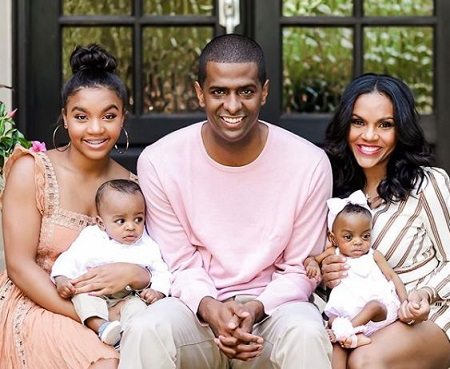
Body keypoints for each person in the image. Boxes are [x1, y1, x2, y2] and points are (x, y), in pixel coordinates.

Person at [119, 34, 333, 369]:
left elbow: (300, 269)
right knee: (147, 329)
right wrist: (210, 307)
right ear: (200, 93)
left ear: (264, 91)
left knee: (306, 332)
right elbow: (180, 264)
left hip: (273, 310)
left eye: (245, 91)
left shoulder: (308, 163)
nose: (232, 106)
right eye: (219, 91)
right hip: (195, 310)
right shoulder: (160, 161)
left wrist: (254, 309)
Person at [0, 44, 153, 369]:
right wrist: (91, 318)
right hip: (37, 302)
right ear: (65, 118)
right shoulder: (32, 170)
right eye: (82, 117)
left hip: (113, 308)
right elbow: (19, 267)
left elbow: (149, 256)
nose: (96, 129)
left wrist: (136, 275)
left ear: (123, 117)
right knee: (107, 361)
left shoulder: (134, 187)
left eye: (108, 116)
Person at [321, 73, 450, 369]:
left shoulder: (427, 185)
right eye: (358, 122)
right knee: (327, 355)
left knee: (365, 359)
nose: (368, 136)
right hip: (363, 318)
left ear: (401, 130)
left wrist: (424, 294)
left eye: (385, 125)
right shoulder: (337, 196)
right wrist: (327, 274)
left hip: (432, 312)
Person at [51, 179, 171, 346]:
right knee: (82, 298)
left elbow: (161, 270)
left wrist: (158, 291)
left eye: (138, 219)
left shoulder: (147, 244)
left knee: (137, 308)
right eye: (121, 221)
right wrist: (61, 278)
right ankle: (102, 327)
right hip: (95, 292)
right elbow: (70, 258)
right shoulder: (91, 237)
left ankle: (129, 337)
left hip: (127, 296)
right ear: (101, 223)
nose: (131, 227)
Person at [305, 190, 407, 369]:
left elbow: (392, 276)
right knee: (335, 338)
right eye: (348, 237)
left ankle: (345, 332)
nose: (358, 242)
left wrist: (405, 301)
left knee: (374, 305)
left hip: (376, 315)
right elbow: (311, 259)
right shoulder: (333, 253)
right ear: (333, 238)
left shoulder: (374, 255)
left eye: (365, 236)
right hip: (348, 315)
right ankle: (351, 337)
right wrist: (313, 264)